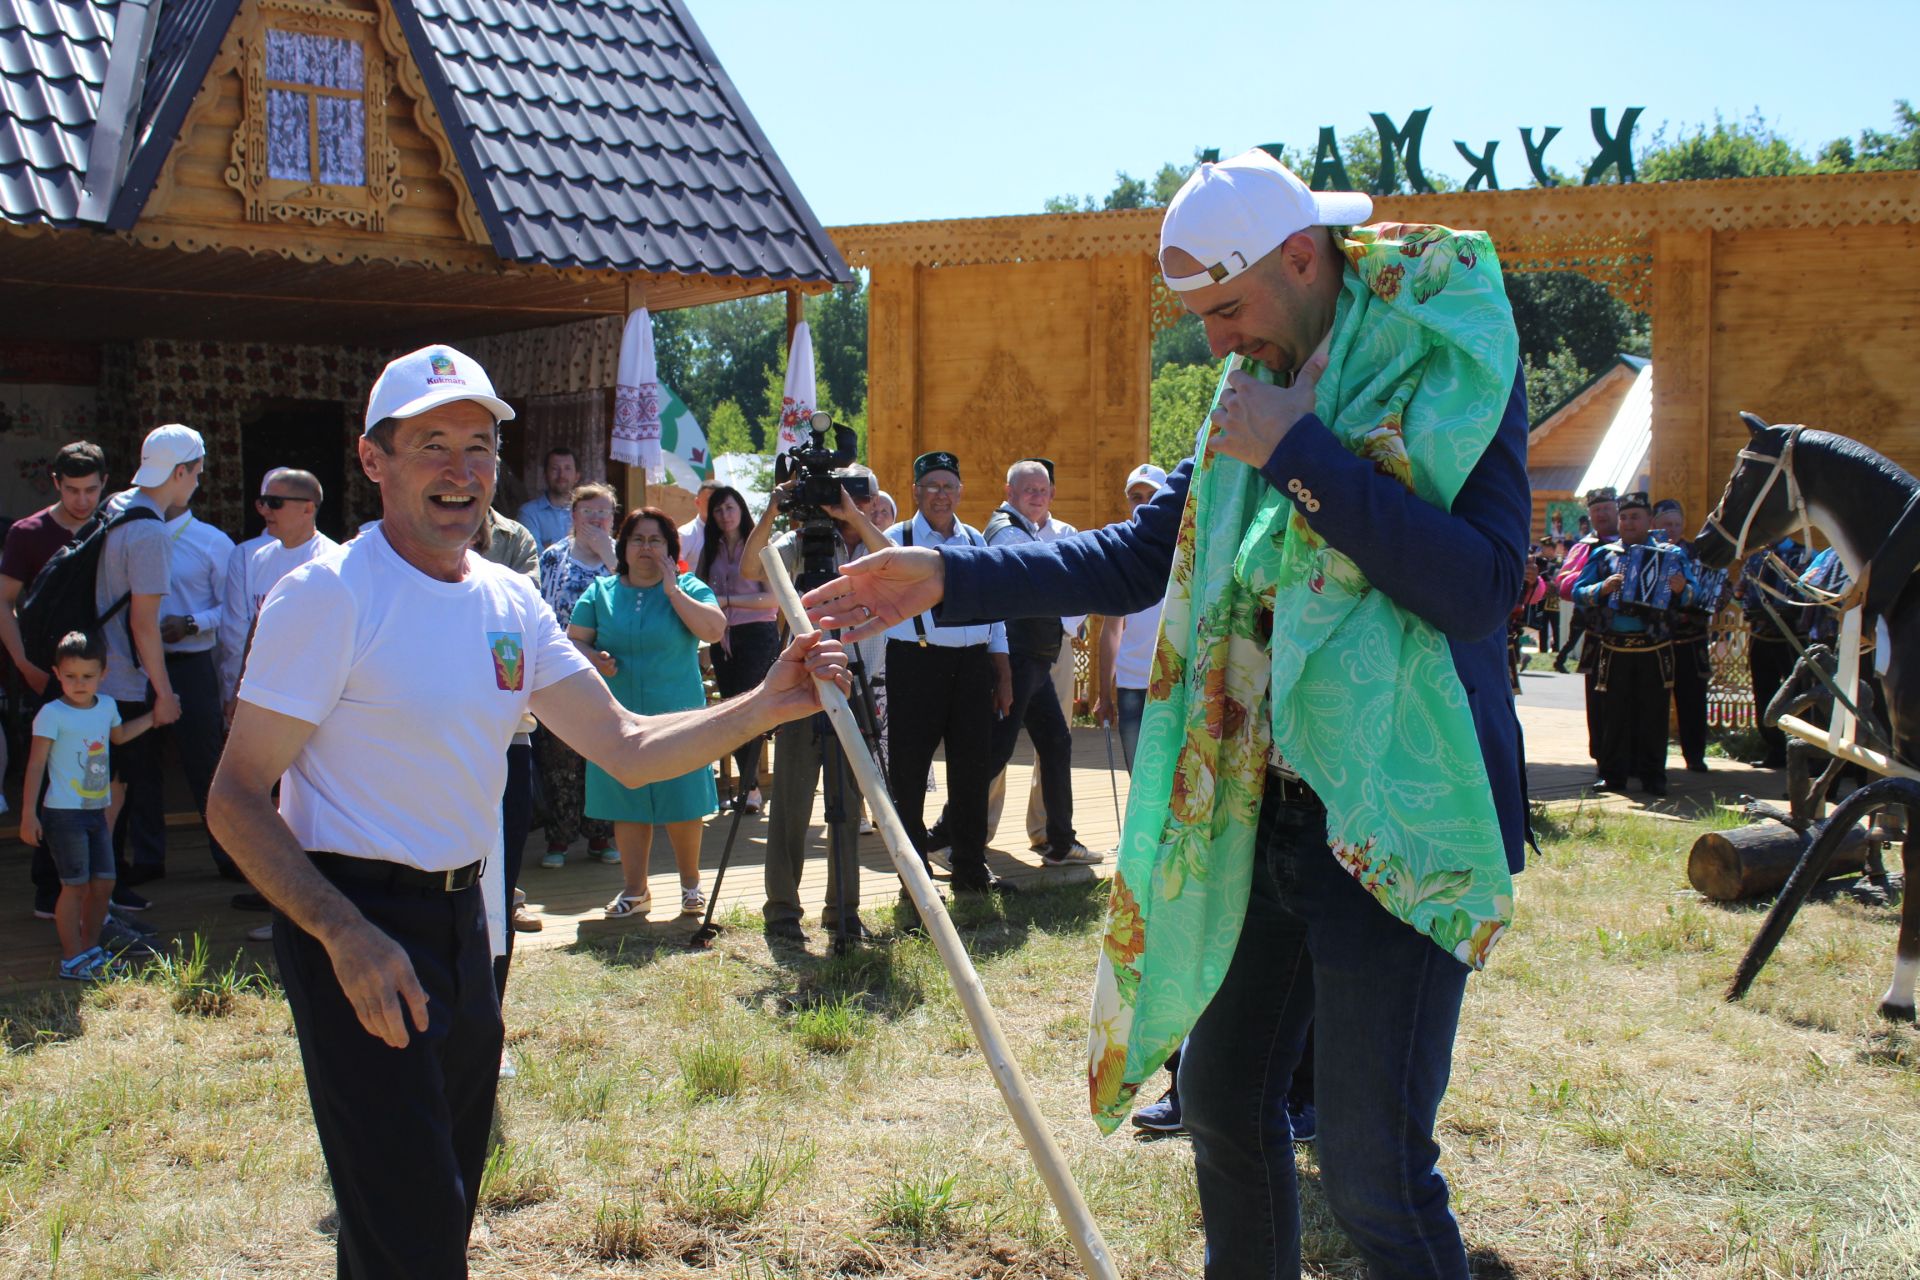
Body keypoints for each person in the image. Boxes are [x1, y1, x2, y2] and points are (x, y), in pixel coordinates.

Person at [806, 149, 1532, 1278]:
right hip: (1262, 812)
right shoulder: (1253, 387)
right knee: (1225, 1109)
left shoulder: (1445, 357)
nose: (1217, 342)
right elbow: (1147, 553)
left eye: (1230, 309)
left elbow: (1479, 586)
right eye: (1202, 317)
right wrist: (951, 574)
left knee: (1374, 1171)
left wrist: (1299, 453)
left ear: (1304, 258)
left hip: (1397, 817)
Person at [206, 343, 846, 1280]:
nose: (461, 471)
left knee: (434, 1207)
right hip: (357, 925)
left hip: (472, 924)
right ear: (374, 460)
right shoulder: (329, 596)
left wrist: (769, 703)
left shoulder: (511, 600)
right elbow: (232, 798)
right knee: (413, 1228)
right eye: (432, 444)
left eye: (479, 445)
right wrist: (344, 935)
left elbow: (624, 741)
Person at [740, 467, 890, 941]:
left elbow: (892, 559)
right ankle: (781, 910)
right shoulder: (798, 543)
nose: (843, 508)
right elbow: (750, 569)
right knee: (791, 801)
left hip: (853, 680)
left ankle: (843, 910)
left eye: (856, 499)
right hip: (803, 684)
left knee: (848, 802)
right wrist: (773, 508)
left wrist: (855, 517)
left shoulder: (869, 544)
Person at [568, 508, 726, 919]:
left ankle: (691, 888)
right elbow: (573, 642)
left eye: (656, 540)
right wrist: (594, 658)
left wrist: (674, 591)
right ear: (623, 546)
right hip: (618, 717)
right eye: (638, 539)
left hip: (678, 716)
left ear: (671, 550)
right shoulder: (600, 591)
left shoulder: (689, 586)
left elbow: (713, 630)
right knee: (627, 801)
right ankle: (635, 891)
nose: (646, 548)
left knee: (683, 802)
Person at [880, 451, 1015, 895]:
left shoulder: (976, 540)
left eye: (948, 486)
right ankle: (914, 877)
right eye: (932, 486)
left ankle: (971, 868)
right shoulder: (894, 539)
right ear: (916, 492)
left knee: (972, 770)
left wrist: (1003, 670)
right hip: (915, 663)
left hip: (972, 666)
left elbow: (995, 614)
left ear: (960, 492)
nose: (941, 494)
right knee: (909, 773)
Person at [116, 453, 236, 884]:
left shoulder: (212, 542)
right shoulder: (126, 532)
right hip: (137, 666)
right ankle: (148, 857)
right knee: (140, 764)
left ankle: (228, 856)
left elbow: (233, 612)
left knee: (205, 764)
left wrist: (192, 623)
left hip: (190, 665)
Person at [1, 440, 108, 920]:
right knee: (49, 777)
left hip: (101, 673)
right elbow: (4, 601)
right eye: (71, 490)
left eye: (90, 490)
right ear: (55, 485)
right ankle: (50, 886)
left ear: (104, 484)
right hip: (45, 671)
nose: (81, 501)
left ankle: (101, 888)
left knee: (100, 775)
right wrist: (22, 660)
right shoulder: (28, 533)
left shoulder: (112, 527)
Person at [973, 458, 1095, 866]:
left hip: (1053, 649)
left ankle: (1055, 838)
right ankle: (967, 832)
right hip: (1015, 654)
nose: (1037, 496)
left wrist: (1062, 624)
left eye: (1043, 489)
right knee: (998, 747)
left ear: (1052, 493)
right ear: (1009, 493)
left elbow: (1079, 590)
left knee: (1056, 743)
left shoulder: (1066, 533)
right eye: (1028, 489)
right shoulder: (1005, 532)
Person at [21, 630, 156, 979]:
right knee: (75, 886)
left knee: (105, 884)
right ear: (56, 674)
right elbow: (36, 764)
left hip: (96, 812)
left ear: (103, 674)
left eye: (87, 676)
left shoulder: (107, 707)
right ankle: (72, 958)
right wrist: (28, 815)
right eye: (70, 676)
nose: (79, 683)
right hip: (63, 815)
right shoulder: (51, 714)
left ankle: (91, 949)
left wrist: (154, 718)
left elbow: (120, 736)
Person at [103, 425, 196, 907]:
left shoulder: (116, 505)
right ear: (180, 472)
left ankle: (97, 894)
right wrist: (163, 695)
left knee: (97, 790)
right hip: (120, 680)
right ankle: (104, 898)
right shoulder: (151, 533)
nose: (197, 485)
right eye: (196, 474)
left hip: (91, 670)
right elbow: (144, 626)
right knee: (113, 795)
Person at [1572, 492, 1697, 796]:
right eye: (1624, 517)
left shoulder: (1672, 555)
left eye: (1635, 516)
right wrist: (1603, 588)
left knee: (1654, 713)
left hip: (1654, 647)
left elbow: (1697, 595)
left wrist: (1683, 590)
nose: (1628, 522)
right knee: (1613, 713)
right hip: (1614, 647)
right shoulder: (1605, 555)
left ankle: (1653, 776)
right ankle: (1612, 775)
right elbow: (1578, 591)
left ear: (1649, 521)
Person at [533, 483, 619, 868]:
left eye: (604, 513)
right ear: (573, 517)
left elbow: (635, 598)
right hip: (564, 669)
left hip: (611, 670)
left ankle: (602, 836)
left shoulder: (624, 557)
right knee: (560, 761)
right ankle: (559, 839)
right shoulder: (554, 557)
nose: (596, 520)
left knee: (602, 754)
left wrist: (609, 555)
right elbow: (546, 611)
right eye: (588, 513)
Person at [219, 469, 337, 719]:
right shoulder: (257, 558)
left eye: (275, 503)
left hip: (309, 698)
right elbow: (254, 631)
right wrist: (240, 690)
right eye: (262, 502)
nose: (264, 511)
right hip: (264, 693)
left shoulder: (332, 561)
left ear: (307, 509)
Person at [699, 485, 779, 813]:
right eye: (718, 510)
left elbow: (773, 598)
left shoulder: (758, 545)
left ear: (741, 509)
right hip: (722, 637)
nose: (725, 515)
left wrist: (729, 601)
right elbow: (702, 591)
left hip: (757, 635)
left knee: (750, 712)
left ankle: (751, 788)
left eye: (730, 508)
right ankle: (752, 788)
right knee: (731, 712)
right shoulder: (710, 549)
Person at [1092, 464, 1169, 770]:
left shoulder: (1188, 547)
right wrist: (1104, 694)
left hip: (1176, 679)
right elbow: (1112, 630)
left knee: (1176, 777)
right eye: (1137, 496)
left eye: (1153, 495)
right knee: (1138, 774)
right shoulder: (1122, 553)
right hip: (1133, 684)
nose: (1145, 503)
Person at [1654, 497, 1720, 773]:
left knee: (1692, 701)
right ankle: (1651, 760)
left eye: (1676, 523)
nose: (1671, 528)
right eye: (1666, 523)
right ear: (1655, 524)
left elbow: (1714, 594)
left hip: (1691, 639)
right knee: (1653, 703)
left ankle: (1695, 756)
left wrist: (1687, 593)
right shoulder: (1648, 552)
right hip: (1656, 641)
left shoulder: (1697, 553)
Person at [1741, 535, 1813, 769]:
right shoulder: (1754, 557)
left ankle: (1802, 751)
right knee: (1764, 693)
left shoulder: (1804, 554)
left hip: (1792, 636)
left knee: (1798, 695)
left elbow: (1808, 593)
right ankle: (1775, 749)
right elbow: (1744, 590)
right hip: (1761, 634)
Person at [516, 447, 578, 551]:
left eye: (567, 468)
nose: (561, 475)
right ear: (545, 475)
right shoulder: (529, 513)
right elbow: (534, 558)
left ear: (577, 476)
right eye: (555, 468)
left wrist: (550, 549)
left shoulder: (587, 513)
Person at [676, 480, 720, 572]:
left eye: (719, 500)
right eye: (710, 500)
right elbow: (676, 571)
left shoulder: (732, 533)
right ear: (697, 502)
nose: (715, 505)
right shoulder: (685, 534)